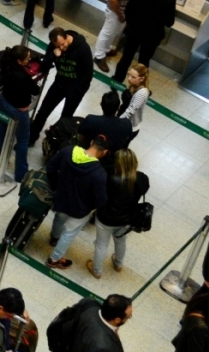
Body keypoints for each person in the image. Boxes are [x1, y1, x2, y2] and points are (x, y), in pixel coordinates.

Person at [45, 135, 109, 270]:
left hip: (61, 198)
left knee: (59, 218)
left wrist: (56, 185)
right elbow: (101, 200)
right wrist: (90, 207)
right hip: (80, 210)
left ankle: (54, 237)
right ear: (104, 152)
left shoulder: (69, 151)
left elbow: (51, 166)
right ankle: (54, 259)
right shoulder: (99, 173)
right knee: (68, 233)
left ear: (91, 142)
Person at [88, 148, 148, 279]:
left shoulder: (109, 178)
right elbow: (144, 189)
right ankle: (118, 264)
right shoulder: (141, 179)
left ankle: (97, 270)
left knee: (101, 244)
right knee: (121, 240)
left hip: (106, 218)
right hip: (127, 219)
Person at [112, 0, 177, 82]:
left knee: (127, 56)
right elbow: (169, 22)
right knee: (144, 61)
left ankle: (117, 78)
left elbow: (129, 9)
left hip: (135, 30)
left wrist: (132, 24)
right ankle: (139, 85)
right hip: (152, 36)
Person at [28, 27, 94, 143]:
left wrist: (78, 91)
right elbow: (43, 67)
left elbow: (88, 74)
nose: (61, 48)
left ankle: (57, 141)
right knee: (43, 112)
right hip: (59, 85)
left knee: (65, 118)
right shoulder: (53, 47)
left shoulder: (83, 48)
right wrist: (52, 55)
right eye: (58, 46)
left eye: (63, 44)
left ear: (66, 37)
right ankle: (32, 136)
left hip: (75, 90)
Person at [0, 45, 39, 177]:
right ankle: (21, 173)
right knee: (23, 139)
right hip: (18, 110)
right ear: (19, 61)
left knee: (3, 128)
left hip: (4, 100)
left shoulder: (6, 64)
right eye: (28, 58)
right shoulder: (23, 77)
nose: (30, 60)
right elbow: (36, 90)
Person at [92, 0, 143, 72]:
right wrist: (120, 14)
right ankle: (99, 56)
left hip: (124, 10)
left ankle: (106, 49)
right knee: (107, 32)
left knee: (114, 32)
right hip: (116, 11)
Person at [62, 294, 130, 352]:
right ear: (117, 320)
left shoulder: (89, 306)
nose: (129, 318)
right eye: (128, 317)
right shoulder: (106, 350)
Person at [78, 91, 133, 157]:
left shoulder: (91, 120)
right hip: (111, 161)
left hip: (90, 156)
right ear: (118, 108)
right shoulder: (127, 124)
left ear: (101, 104)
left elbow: (80, 139)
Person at [117, 65, 151, 142]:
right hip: (122, 118)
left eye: (133, 77)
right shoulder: (133, 85)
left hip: (129, 126)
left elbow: (130, 111)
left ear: (142, 79)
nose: (129, 78)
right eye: (129, 74)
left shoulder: (142, 93)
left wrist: (116, 122)